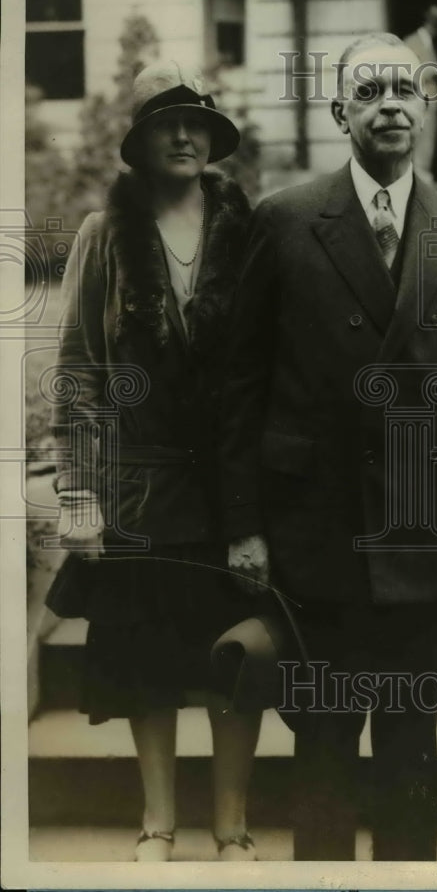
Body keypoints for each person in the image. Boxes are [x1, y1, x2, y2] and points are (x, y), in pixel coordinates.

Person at [222, 32, 437, 861]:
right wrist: (244, 523)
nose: (390, 103)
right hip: (317, 530)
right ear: (339, 108)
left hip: (426, 531)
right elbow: (241, 382)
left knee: (412, 745)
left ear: (426, 107)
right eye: (370, 89)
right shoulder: (283, 221)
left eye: (405, 90)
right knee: (324, 745)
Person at [46, 59, 264, 862]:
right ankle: (159, 822)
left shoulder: (248, 228)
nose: (182, 136)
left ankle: (233, 825)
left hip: (231, 488)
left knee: (234, 656)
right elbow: (77, 372)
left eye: (195, 122)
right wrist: (77, 491)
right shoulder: (104, 236)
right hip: (139, 487)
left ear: (212, 136)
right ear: (136, 145)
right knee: (150, 660)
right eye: (163, 125)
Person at [403, 3, 437, 183]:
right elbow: (407, 71)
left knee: (427, 141)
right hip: (419, 98)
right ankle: (419, 178)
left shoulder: (428, 43)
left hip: (430, 99)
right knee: (421, 141)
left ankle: (421, 176)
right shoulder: (412, 42)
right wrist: (435, 70)